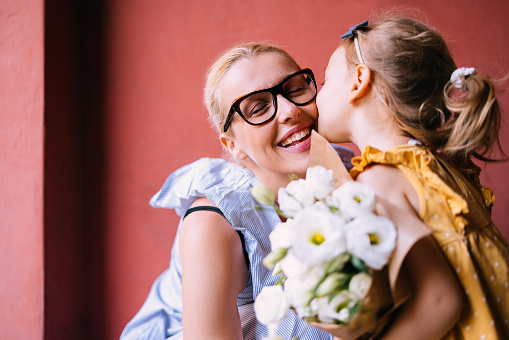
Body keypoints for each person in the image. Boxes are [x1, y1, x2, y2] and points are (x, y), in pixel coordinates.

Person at [120, 42, 341, 339]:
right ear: (232, 145)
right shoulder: (213, 226)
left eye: (295, 88)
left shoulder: (349, 173)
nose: (290, 110)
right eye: (258, 108)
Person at [315, 12, 509, 339]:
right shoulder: (434, 164)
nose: (317, 96)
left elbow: (438, 301)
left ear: (359, 81)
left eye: (325, 81)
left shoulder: (380, 178)